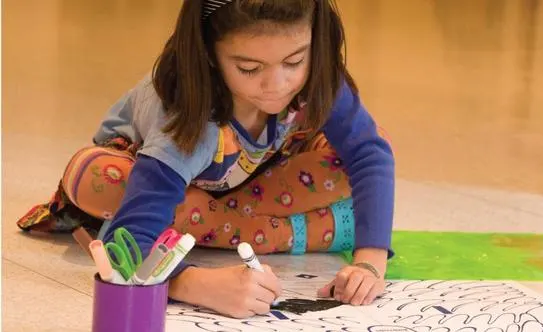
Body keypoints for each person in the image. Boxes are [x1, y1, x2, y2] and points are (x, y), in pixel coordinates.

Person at [16, 0, 394, 319]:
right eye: (249, 69)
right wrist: (193, 283)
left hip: (235, 186)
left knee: (363, 147)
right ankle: (286, 228)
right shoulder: (186, 114)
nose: (277, 85)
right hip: (151, 182)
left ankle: (208, 221)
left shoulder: (316, 76)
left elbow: (369, 153)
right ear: (209, 55)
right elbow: (126, 243)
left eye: (295, 61)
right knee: (95, 176)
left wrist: (370, 260)